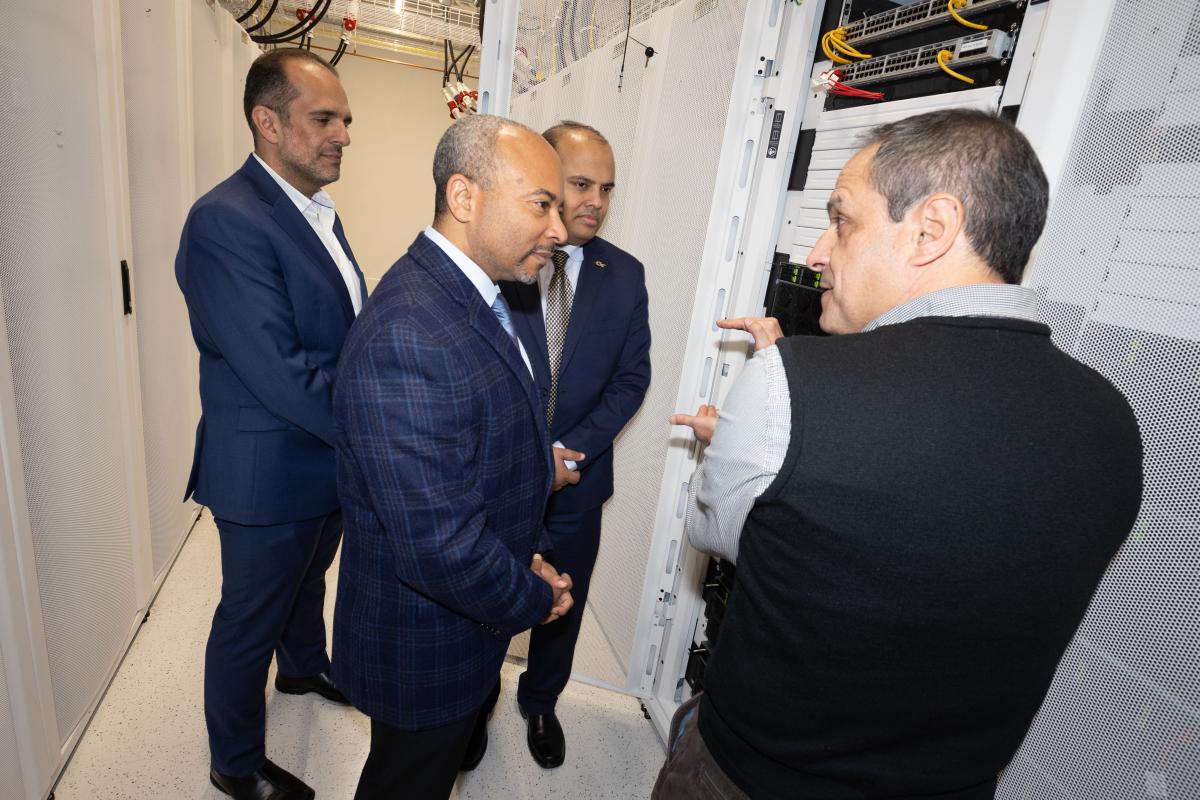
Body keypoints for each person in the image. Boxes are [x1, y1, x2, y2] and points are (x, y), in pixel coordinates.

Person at [659, 108, 1143, 799]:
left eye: (843, 220)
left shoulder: (793, 386)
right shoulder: (1113, 421)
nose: (817, 253)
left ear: (931, 230)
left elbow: (721, 534)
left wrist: (766, 421)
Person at [331, 114, 577, 800]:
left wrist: (527, 551)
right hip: (423, 646)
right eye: (542, 204)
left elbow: (497, 455)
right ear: (465, 197)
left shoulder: (476, 298)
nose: (559, 229)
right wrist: (534, 593)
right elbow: (440, 546)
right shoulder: (409, 334)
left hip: (465, 623)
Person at [175, 49, 363, 800]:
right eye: (324, 118)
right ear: (267, 120)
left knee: (308, 579)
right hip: (268, 467)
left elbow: (333, 329)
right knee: (248, 618)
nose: (343, 133)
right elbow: (279, 369)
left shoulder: (315, 210)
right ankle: (236, 762)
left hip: (321, 462)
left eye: (346, 119)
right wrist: (371, 429)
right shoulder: (226, 219)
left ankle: (306, 668)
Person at [496, 121, 651, 769]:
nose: (595, 201)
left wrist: (570, 452)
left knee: (563, 599)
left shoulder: (624, 274)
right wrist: (528, 455)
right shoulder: (507, 261)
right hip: (500, 477)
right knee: (492, 593)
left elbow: (631, 378)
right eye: (581, 183)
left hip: (578, 483)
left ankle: (540, 702)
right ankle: (475, 699)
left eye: (607, 189)